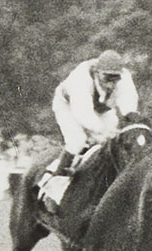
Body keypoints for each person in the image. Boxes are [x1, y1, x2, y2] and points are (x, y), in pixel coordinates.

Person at [37, 49, 140, 208]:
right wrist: (102, 131)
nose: (112, 83)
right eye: (108, 78)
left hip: (101, 110)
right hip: (68, 107)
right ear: (98, 73)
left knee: (113, 143)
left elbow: (128, 103)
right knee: (77, 141)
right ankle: (54, 186)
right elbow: (82, 113)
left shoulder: (124, 77)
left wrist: (131, 119)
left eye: (115, 78)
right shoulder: (81, 78)